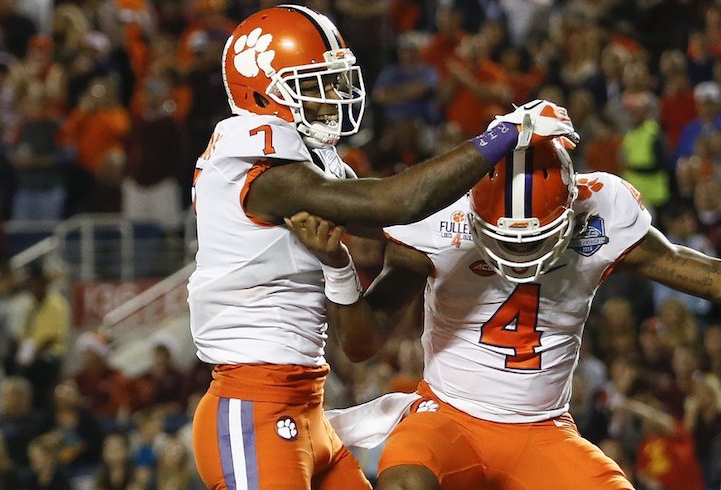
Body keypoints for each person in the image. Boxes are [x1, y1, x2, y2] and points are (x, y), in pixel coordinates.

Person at [291, 138, 721, 489]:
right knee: (404, 483)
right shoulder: (438, 216)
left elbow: (711, 273)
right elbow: (362, 344)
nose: (519, 256)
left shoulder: (600, 209)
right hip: (447, 418)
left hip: (541, 430)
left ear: (570, 212)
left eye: (534, 240)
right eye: (504, 241)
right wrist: (338, 267)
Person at [187, 5, 578, 490]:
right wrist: (503, 136)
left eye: (334, 81)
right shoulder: (264, 172)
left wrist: (493, 221)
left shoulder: (301, 162)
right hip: (254, 406)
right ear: (262, 89)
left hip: (303, 402)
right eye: (314, 84)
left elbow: (400, 225)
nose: (333, 96)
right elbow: (398, 203)